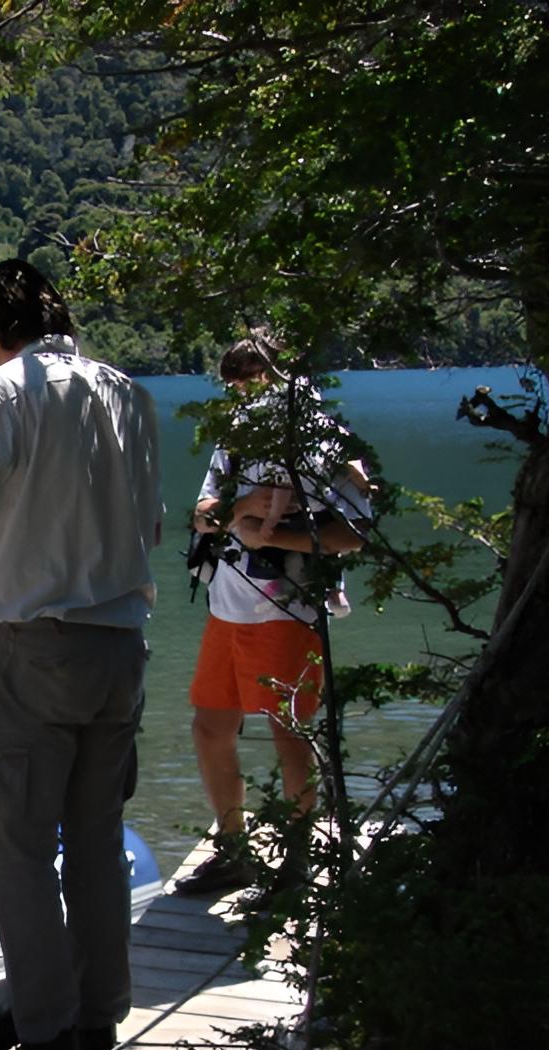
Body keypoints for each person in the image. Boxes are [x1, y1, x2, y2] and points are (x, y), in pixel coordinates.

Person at [0, 260, 163, 1050]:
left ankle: (46, 1043)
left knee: (19, 848)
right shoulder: (128, 394)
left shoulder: (5, 390)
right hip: (122, 648)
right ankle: (100, 1035)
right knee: (96, 841)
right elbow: (152, 525)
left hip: (39, 647)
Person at [177, 337, 372, 896]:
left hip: (288, 609)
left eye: (249, 375)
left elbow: (352, 535)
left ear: (278, 373)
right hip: (227, 605)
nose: (241, 389)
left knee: (290, 733)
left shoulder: (320, 438)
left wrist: (275, 537)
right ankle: (234, 851)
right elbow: (202, 514)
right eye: (234, 380)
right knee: (210, 725)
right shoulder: (236, 438)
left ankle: (296, 863)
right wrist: (240, 509)